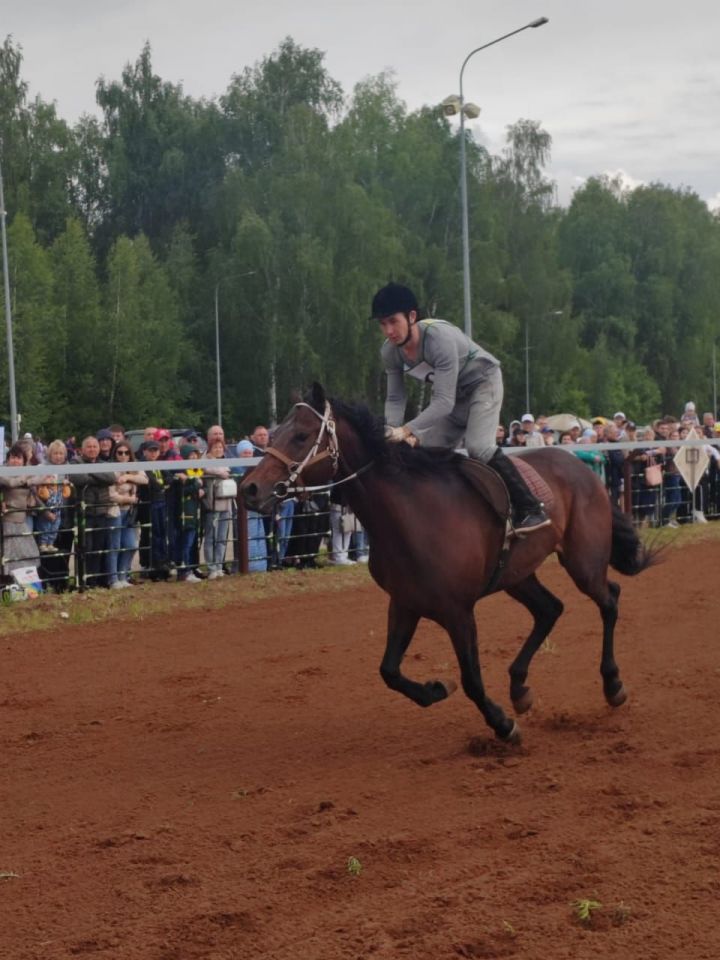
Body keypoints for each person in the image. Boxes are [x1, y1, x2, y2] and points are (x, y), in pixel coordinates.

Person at [372, 283, 549, 533]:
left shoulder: (438, 340)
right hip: (454, 395)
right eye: (382, 324)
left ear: (412, 317)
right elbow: (395, 398)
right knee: (425, 449)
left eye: (393, 321)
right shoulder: (389, 352)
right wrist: (391, 430)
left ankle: (531, 508)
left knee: (479, 447)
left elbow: (443, 403)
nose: (388, 331)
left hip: (482, 384)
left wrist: (407, 430)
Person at [0, 443, 43, 575]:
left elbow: (40, 477)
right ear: (7, 460)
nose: (15, 460)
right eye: (12, 457)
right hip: (7, 520)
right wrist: (27, 478)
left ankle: (22, 585)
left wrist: (28, 479)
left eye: (18, 458)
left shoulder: (25, 474)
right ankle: (7, 584)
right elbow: (11, 483)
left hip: (22, 519)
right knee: (8, 553)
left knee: (28, 551)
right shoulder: (3, 472)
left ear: (24, 461)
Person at [113, 442, 147, 586]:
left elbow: (145, 479)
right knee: (117, 546)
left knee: (131, 545)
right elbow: (113, 494)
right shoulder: (111, 468)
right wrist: (128, 498)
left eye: (126, 452)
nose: (123, 455)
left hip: (130, 512)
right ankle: (116, 578)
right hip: (116, 511)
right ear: (115, 454)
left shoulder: (134, 466)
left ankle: (123, 575)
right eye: (120, 453)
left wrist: (127, 477)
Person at [202, 438, 235, 579]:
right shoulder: (205, 461)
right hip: (212, 505)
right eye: (215, 447)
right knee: (211, 537)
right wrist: (219, 473)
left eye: (220, 448)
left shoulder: (225, 462)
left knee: (222, 538)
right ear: (209, 449)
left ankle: (219, 565)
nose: (218, 450)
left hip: (226, 505)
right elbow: (202, 468)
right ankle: (211, 567)